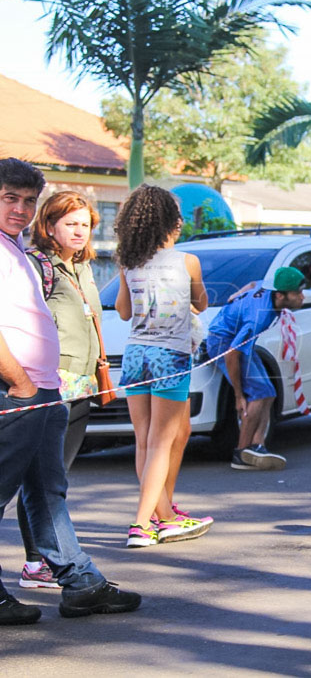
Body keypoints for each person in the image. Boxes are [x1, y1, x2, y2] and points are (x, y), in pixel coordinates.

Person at [0, 157, 141, 623]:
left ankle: (81, 583)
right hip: (18, 392)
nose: (20, 209)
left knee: (47, 489)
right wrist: (20, 383)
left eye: (27, 200)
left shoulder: (14, 247)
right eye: (10, 198)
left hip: (46, 390)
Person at [15, 192, 103, 589]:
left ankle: (51, 560)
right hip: (49, 382)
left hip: (80, 384)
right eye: (71, 223)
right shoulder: (38, 265)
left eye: (85, 224)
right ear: (49, 226)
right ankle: (37, 562)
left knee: (56, 475)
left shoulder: (83, 268)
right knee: (40, 476)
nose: (79, 231)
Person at [115, 184, 211, 548]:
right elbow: (200, 303)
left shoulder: (129, 262)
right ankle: (144, 523)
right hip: (170, 355)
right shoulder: (187, 261)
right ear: (170, 222)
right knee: (160, 442)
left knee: (148, 440)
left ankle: (165, 513)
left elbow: (123, 312)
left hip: (136, 354)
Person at [206, 266, 305, 470]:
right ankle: (241, 453)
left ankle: (258, 445)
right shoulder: (259, 316)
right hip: (222, 342)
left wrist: (237, 294)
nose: (302, 297)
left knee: (268, 392)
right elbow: (232, 354)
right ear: (280, 295)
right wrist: (238, 395)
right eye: (297, 293)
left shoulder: (267, 289)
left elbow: (252, 284)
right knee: (258, 395)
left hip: (237, 343)